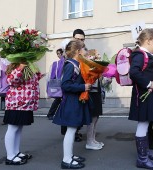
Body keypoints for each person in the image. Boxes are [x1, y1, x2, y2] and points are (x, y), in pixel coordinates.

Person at [129, 28, 153, 169]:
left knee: (146, 124)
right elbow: (133, 72)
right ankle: (142, 158)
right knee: (143, 124)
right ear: (149, 41)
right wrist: (149, 83)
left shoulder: (148, 54)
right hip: (144, 95)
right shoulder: (140, 55)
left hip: (150, 95)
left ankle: (145, 152)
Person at [52, 40, 91, 169]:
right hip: (71, 102)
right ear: (78, 52)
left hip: (75, 101)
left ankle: (70, 155)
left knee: (73, 130)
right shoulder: (70, 65)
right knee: (71, 130)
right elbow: (65, 85)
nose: (86, 52)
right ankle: (66, 159)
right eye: (84, 49)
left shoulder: (76, 64)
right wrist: (83, 86)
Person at [3, 63, 44, 165]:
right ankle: (10, 156)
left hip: (25, 103)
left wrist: (37, 74)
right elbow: (11, 81)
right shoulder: (15, 66)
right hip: (16, 103)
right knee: (12, 128)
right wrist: (20, 68)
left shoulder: (29, 66)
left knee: (18, 128)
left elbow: (30, 82)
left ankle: (15, 152)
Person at [47, 48, 64, 120]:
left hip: (60, 84)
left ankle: (51, 114)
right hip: (61, 84)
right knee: (58, 100)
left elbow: (51, 76)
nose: (58, 55)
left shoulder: (57, 63)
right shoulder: (58, 63)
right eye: (57, 54)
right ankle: (51, 114)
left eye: (59, 53)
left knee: (58, 100)